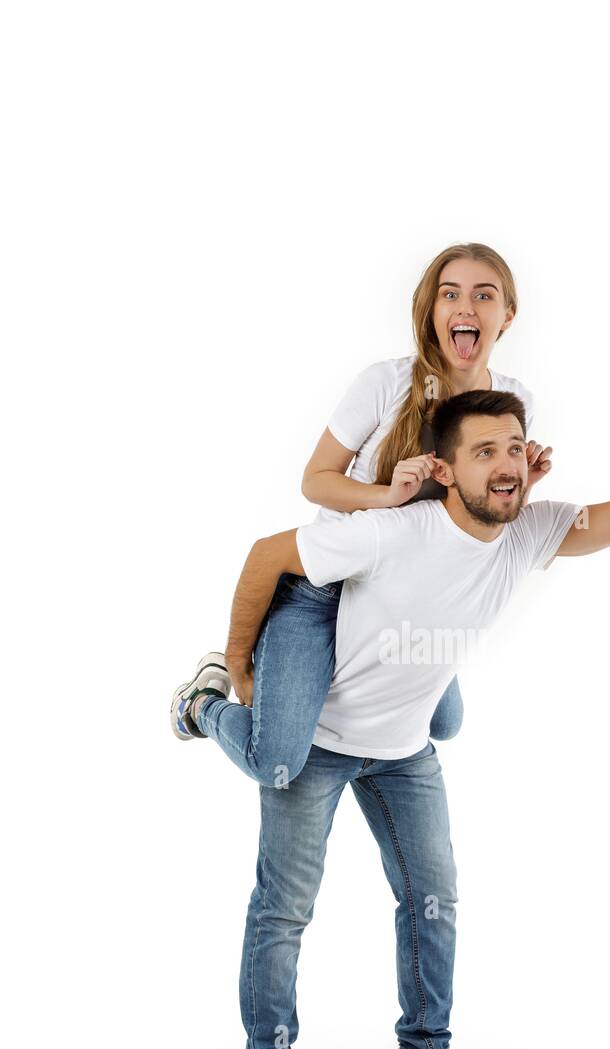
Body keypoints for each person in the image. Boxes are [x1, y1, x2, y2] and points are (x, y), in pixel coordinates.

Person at [174, 388, 610, 1049]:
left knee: (432, 898)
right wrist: (239, 665)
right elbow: (268, 556)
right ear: (446, 469)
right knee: (285, 908)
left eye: (514, 447)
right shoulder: (388, 534)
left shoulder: (527, 531)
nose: (507, 464)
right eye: (484, 452)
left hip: (405, 751)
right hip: (324, 739)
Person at [170, 242, 554, 781]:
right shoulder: (387, 383)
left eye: (483, 295)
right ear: (432, 311)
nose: (466, 307)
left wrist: (524, 484)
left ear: (506, 316)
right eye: (451, 295)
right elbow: (315, 481)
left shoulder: (516, 400)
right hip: (328, 588)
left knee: (445, 725)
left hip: (408, 598)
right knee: (278, 758)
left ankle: (328, 705)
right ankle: (203, 704)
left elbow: (485, 510)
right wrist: (385, 496)